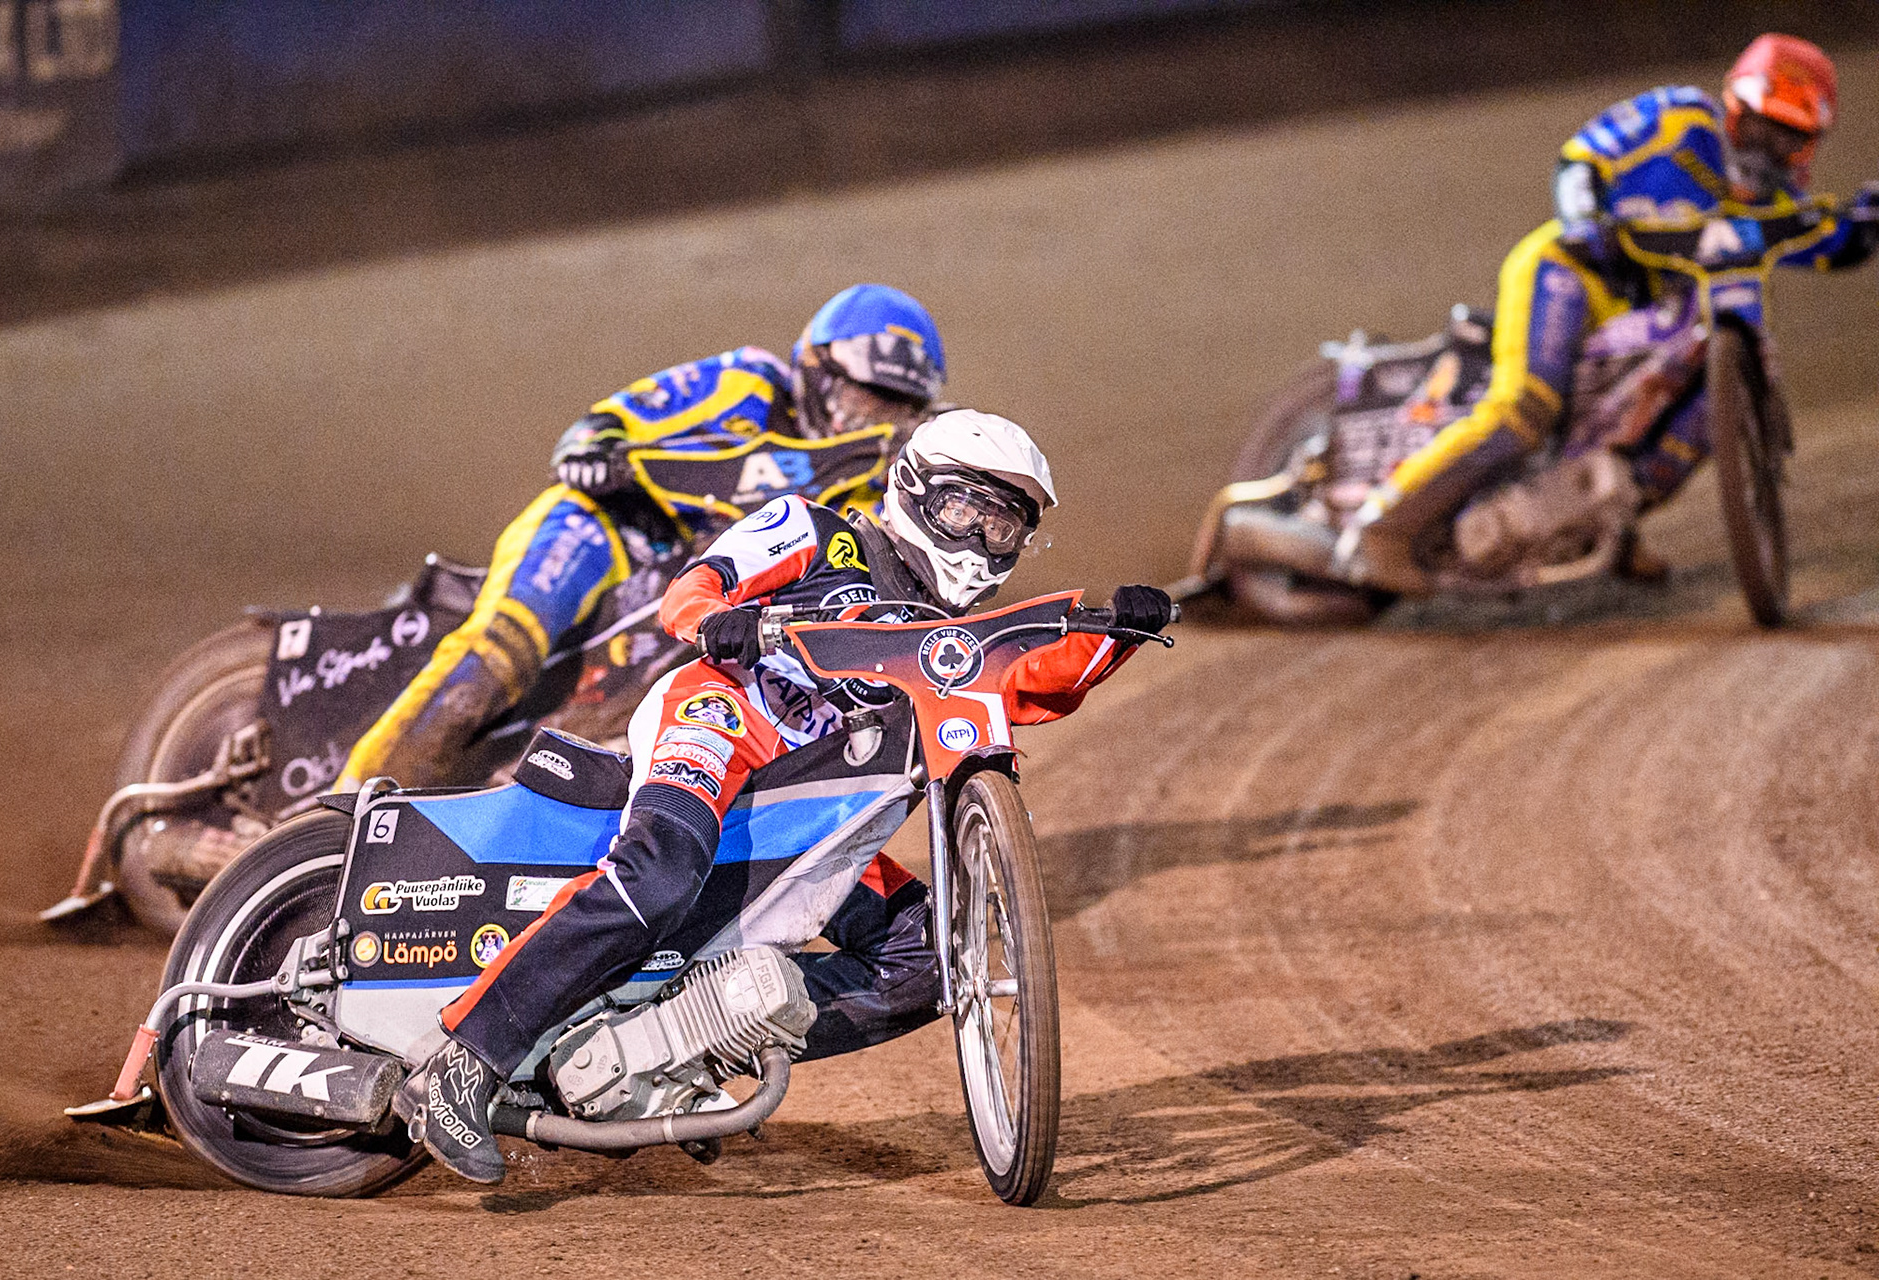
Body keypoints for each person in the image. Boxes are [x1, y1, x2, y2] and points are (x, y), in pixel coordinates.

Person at [404, 409, 1175, 1183]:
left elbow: (1034, 679)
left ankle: (684, 1046)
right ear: (913, 489)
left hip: (812, 807)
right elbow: (700, 585)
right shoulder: (820, 532)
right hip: (722, 722)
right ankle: (463, 1065)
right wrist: (717, 623)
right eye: (962, 510)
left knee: (934, 957)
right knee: (658, 873)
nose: (977, 538)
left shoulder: (958, 641)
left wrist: (1122, 634)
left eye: (1001, 526)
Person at [335, 284, 947, 791]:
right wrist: (594, 450)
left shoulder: (869, 489)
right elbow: (614, 419)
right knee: (503, 648)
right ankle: (340, 812)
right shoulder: (750, 383)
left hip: (705, 605)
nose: (869, 423)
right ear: (816, 370)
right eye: (860, 399)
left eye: (894, 412)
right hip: (611, 528)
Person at [1336, 34, 1878, 581]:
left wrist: (1865, 223)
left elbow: (1835, 244)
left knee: (1705, 409)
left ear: (1809, 146)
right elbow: (1581, 159)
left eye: (1789, 138)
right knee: (1527, 408)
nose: (1768, 150)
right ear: (1733, 109)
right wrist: (1587, 222)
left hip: (1644, 323)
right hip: (1569, 274)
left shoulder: (1773, 209)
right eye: (1763, 127)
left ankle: (1603, 526)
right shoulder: (1678, 118)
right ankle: (1383, 526)